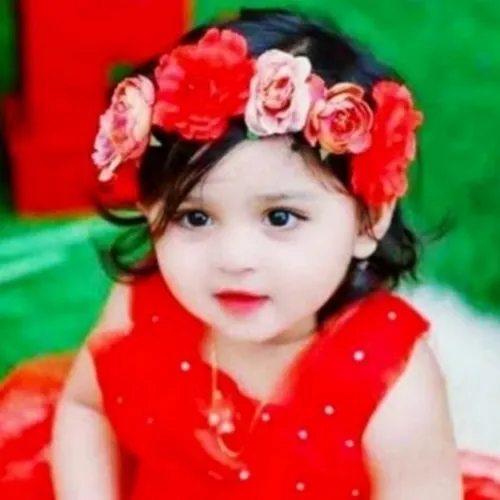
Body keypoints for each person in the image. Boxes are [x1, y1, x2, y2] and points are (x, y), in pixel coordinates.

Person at [1, 8, 465, 499]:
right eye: (195, 218)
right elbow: (86, 409)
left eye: (280, 217)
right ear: (150, 210)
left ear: (368, 220)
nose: (234, 258)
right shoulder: (145, 302)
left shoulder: (391, 382)